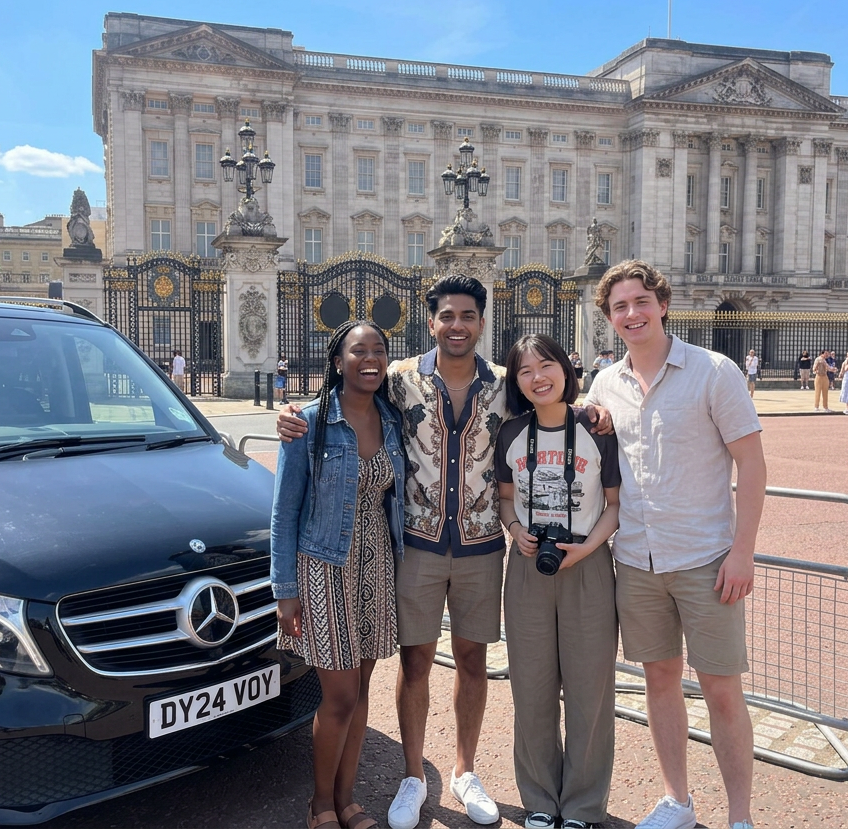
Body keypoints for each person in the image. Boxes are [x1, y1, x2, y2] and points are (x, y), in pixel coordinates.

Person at [278, 277, 607, 829]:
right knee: (415, 663)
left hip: (482, 546)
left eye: (468, 316)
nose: (457, 325)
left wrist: (592, 409)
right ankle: (413, 775)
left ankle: (464, 769)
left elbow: (551, 400)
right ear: (431, 321)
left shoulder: (504, 382)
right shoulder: (399, 377)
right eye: (447, 316)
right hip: (416, 547)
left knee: (473, 662)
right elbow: (345, 397)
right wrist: (294, 415)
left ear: (481, 322)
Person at [583, 259, 766, 829]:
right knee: (659, 682)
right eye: (620, 306)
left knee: (721, 691)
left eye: (641, 301)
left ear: (662, 305)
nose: (632, 314)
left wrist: (743, 551)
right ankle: (677, 801)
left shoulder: (714, 371)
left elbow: (752, 465)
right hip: (636, 560)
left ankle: (740, 818)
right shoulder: (604, 384)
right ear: (610, 318)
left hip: (705, 558)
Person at [270, 321, 407, 829]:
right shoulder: (308, 423)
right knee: (341, 694)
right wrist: (285, 592)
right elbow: (284, 512)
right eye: (358, 351)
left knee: (363, 688)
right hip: (324, 565)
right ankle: (320, 804)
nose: (370, 359)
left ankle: (347, 801)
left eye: (379, 350)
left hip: (377, 561)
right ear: (337, 361)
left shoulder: (391, 418)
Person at [495, 334, 621, 829]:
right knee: (531, 688)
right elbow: (506, 497)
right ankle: (540, 800)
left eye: (546, 365)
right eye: (525, 371)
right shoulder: (511, 433)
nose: (537, 378)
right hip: (529, 566)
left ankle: (584, 805)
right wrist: (515, 529)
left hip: (587, 565)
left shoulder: (596, 428)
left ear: (566, 370)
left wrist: (587, 548)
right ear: (516, 381)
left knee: (591, 691)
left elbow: (614, 505)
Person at [811, 349, 831, 413]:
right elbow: (814, 368)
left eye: (827, 353)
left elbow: (828, 367)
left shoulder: (824, 360)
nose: (827, 355)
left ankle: (825, 407)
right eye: (826, 353)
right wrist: (816, 369)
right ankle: (816, 407)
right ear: (822, 353)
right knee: (818, 392)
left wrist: (833, 369)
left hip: (825, 376)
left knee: (825, 392)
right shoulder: (818, 359)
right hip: (819, 376)